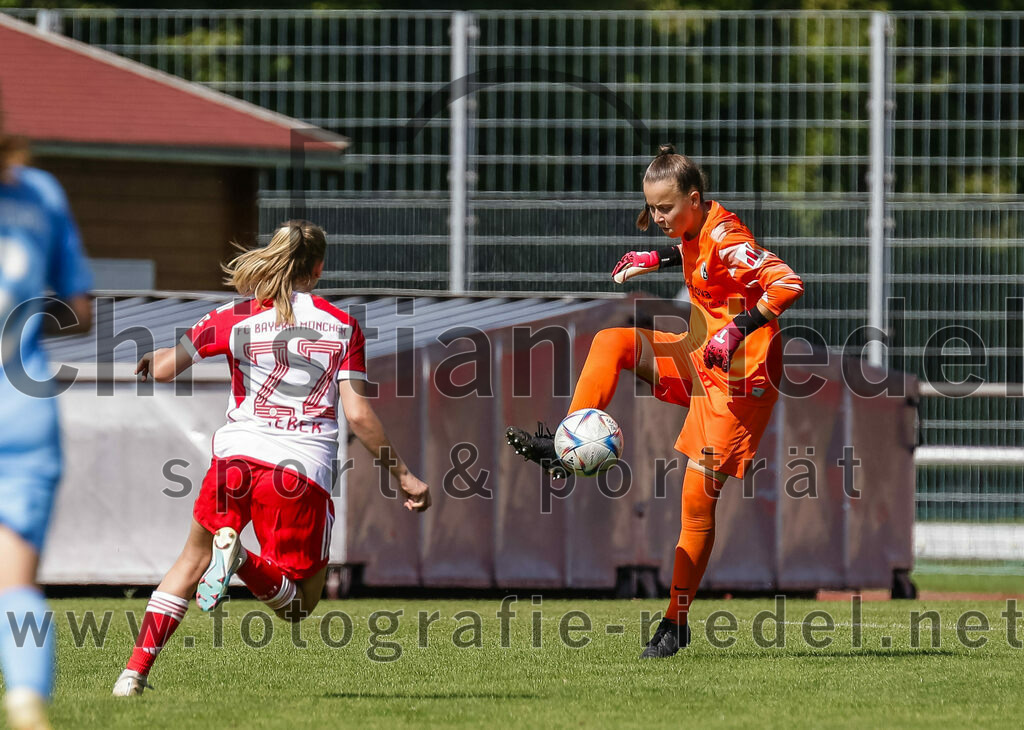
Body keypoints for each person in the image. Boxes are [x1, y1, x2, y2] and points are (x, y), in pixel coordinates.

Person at [506, 145, 803, 659]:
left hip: (740, 383)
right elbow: (694, 253)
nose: (658, 217)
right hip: (700, 356)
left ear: (694, 199)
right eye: (652, 207)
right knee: (611, 343)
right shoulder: (693, 230)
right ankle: (566, 443)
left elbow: (788, 282)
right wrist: (656, 257)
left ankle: (675, 621)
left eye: (666, 208)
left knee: (696, 501)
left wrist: (737, 328)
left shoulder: (728, 238)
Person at [113, 220, 430, 695]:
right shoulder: (342, 326)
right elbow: (359, 415)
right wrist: (403, 475)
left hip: (235, 462)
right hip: (298, 472)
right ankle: (240, 558)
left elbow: (162, 370)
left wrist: (154, 357)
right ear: (318, 269)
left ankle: (133, 674)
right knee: (299, 606)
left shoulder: (231, 316)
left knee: (191, 560)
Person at [0, 129, 93, 728]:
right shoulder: (40, 192)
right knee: (15, 584)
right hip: (21, 407)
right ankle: (27, 701)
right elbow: (80, 309)